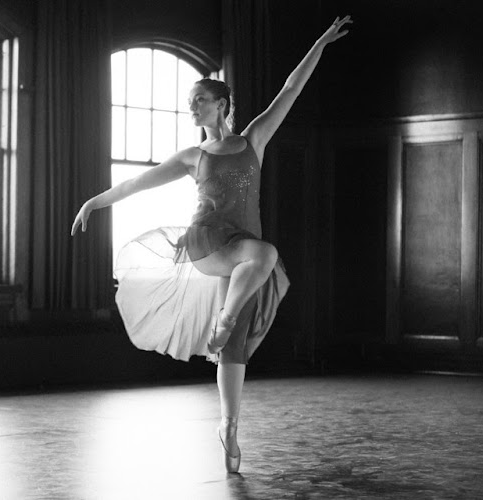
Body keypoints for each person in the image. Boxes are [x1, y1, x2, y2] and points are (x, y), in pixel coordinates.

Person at [71, 15, 352, 473]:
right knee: (266, 255)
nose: (193, 107)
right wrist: (94, 202)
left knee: (234, 343)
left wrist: (319, 42)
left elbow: (290, 89)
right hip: (206, 243)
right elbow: (137, 183)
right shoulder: (192, 157)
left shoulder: (253, 140)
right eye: (190, 103)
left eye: (200, 100)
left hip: (241, 254)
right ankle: (223, 320)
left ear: (222, 104)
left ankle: (229, 425)